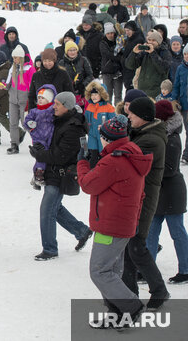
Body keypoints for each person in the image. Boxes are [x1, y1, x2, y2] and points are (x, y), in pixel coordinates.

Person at [77, 115, 150, 326]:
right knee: (113, 271)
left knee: (99, 271)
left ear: (106, 138)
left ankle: (131, 307)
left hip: (110, 224)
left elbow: (88, 185)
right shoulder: (133, 154)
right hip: (124, 222)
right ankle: (118, 315)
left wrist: (82, 162)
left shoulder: (113, 161)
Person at [28, 92, 92, 260]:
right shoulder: (60, 120)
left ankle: (49, 249)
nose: (53, 106)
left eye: (57, 104)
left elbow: (60, 156)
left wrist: (40, 155)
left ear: (67, 106)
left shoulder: (73, 128)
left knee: (47, 210)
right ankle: (81, 231)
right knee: (55, 207)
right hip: (53, 171)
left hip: (61, 174)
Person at [123, 96, 170, 309]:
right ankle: (131, 292)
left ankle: (157, 291)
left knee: (135, 245)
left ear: (143, 117)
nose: (128, 116)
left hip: (144, 199)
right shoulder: (143, 133)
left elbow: (127, 161)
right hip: (138, 198)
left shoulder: (150, 140)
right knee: (131, 246)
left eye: (132, 113)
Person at [148, 100, 188, 284]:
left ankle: (186, 269)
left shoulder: (172, 138)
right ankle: (147, 269)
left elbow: (170, 168)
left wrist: (148, 170)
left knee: (177, 231)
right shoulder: (159, 134)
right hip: (158, 190)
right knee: (150, 231)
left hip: (172, 191)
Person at [24, 85, 57, 190]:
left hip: (51, 137)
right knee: (41, 157)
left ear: (49, 99)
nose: (40, 100)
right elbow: (26, 121)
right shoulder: (34, 111)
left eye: (43, 98)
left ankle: (40, 176)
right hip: (38, 138)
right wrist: (29, 123)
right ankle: (38, 174)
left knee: (49, 157)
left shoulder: (53, 109)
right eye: (39, 98)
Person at [125, 30, 170, 99]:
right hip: (142, 92)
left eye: (153, 40)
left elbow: (163, 69)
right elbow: (130, 65)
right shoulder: (145, 53)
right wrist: (133, 53)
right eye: (149, 40)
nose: (151, 42)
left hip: (157, 93)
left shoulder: (164, 52)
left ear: (158, 42)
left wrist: (153, 53)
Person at [6, 47, 35, 155]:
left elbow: (33, 85)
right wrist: (4, 86)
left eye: (16, 57)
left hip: (25, 100)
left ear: (21, 57)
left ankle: (37, 143)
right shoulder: (12, 68)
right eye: (13, 58)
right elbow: (8, 83)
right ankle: (14, 144)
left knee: (26, 123)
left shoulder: (29, 69)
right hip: (13, 99)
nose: (14, 60)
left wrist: (31, 99)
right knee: (13, 123)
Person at [83, 81, 115, 167]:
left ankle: (103, 169)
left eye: (96, 94)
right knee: (93, 154)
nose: (93, 97)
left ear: (102, 94)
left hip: (103, 136)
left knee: (103, 154)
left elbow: (113, 121)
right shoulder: (90, 106)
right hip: (92, 134)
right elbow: (85, 119)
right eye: (92, 95)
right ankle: (92, 171)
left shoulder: (108, 107)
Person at [169, 44, 188, 163]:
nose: (186, 56)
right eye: (185, 54)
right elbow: (176, 86)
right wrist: (174, 100)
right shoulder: (181, 68)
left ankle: (186, 155)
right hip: (185, 105)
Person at [99, 22, 124, 105]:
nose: (110, 35)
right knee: (107, 95)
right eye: (108, 33)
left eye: (112, 33)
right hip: (107, 71)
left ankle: (118, 111)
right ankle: (108, 112)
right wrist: (118, 58)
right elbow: (108, 54)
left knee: (118, 94)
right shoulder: (102, 43)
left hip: (118, 71)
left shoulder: (119, 41)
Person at [122, 21, 145, 91]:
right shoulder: (130, 38)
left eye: (128, 30)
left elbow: (135, 55)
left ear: (133, 30)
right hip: (128, 68)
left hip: (132, 69)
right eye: (125, 31)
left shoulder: (138, 40)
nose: (127, 32)